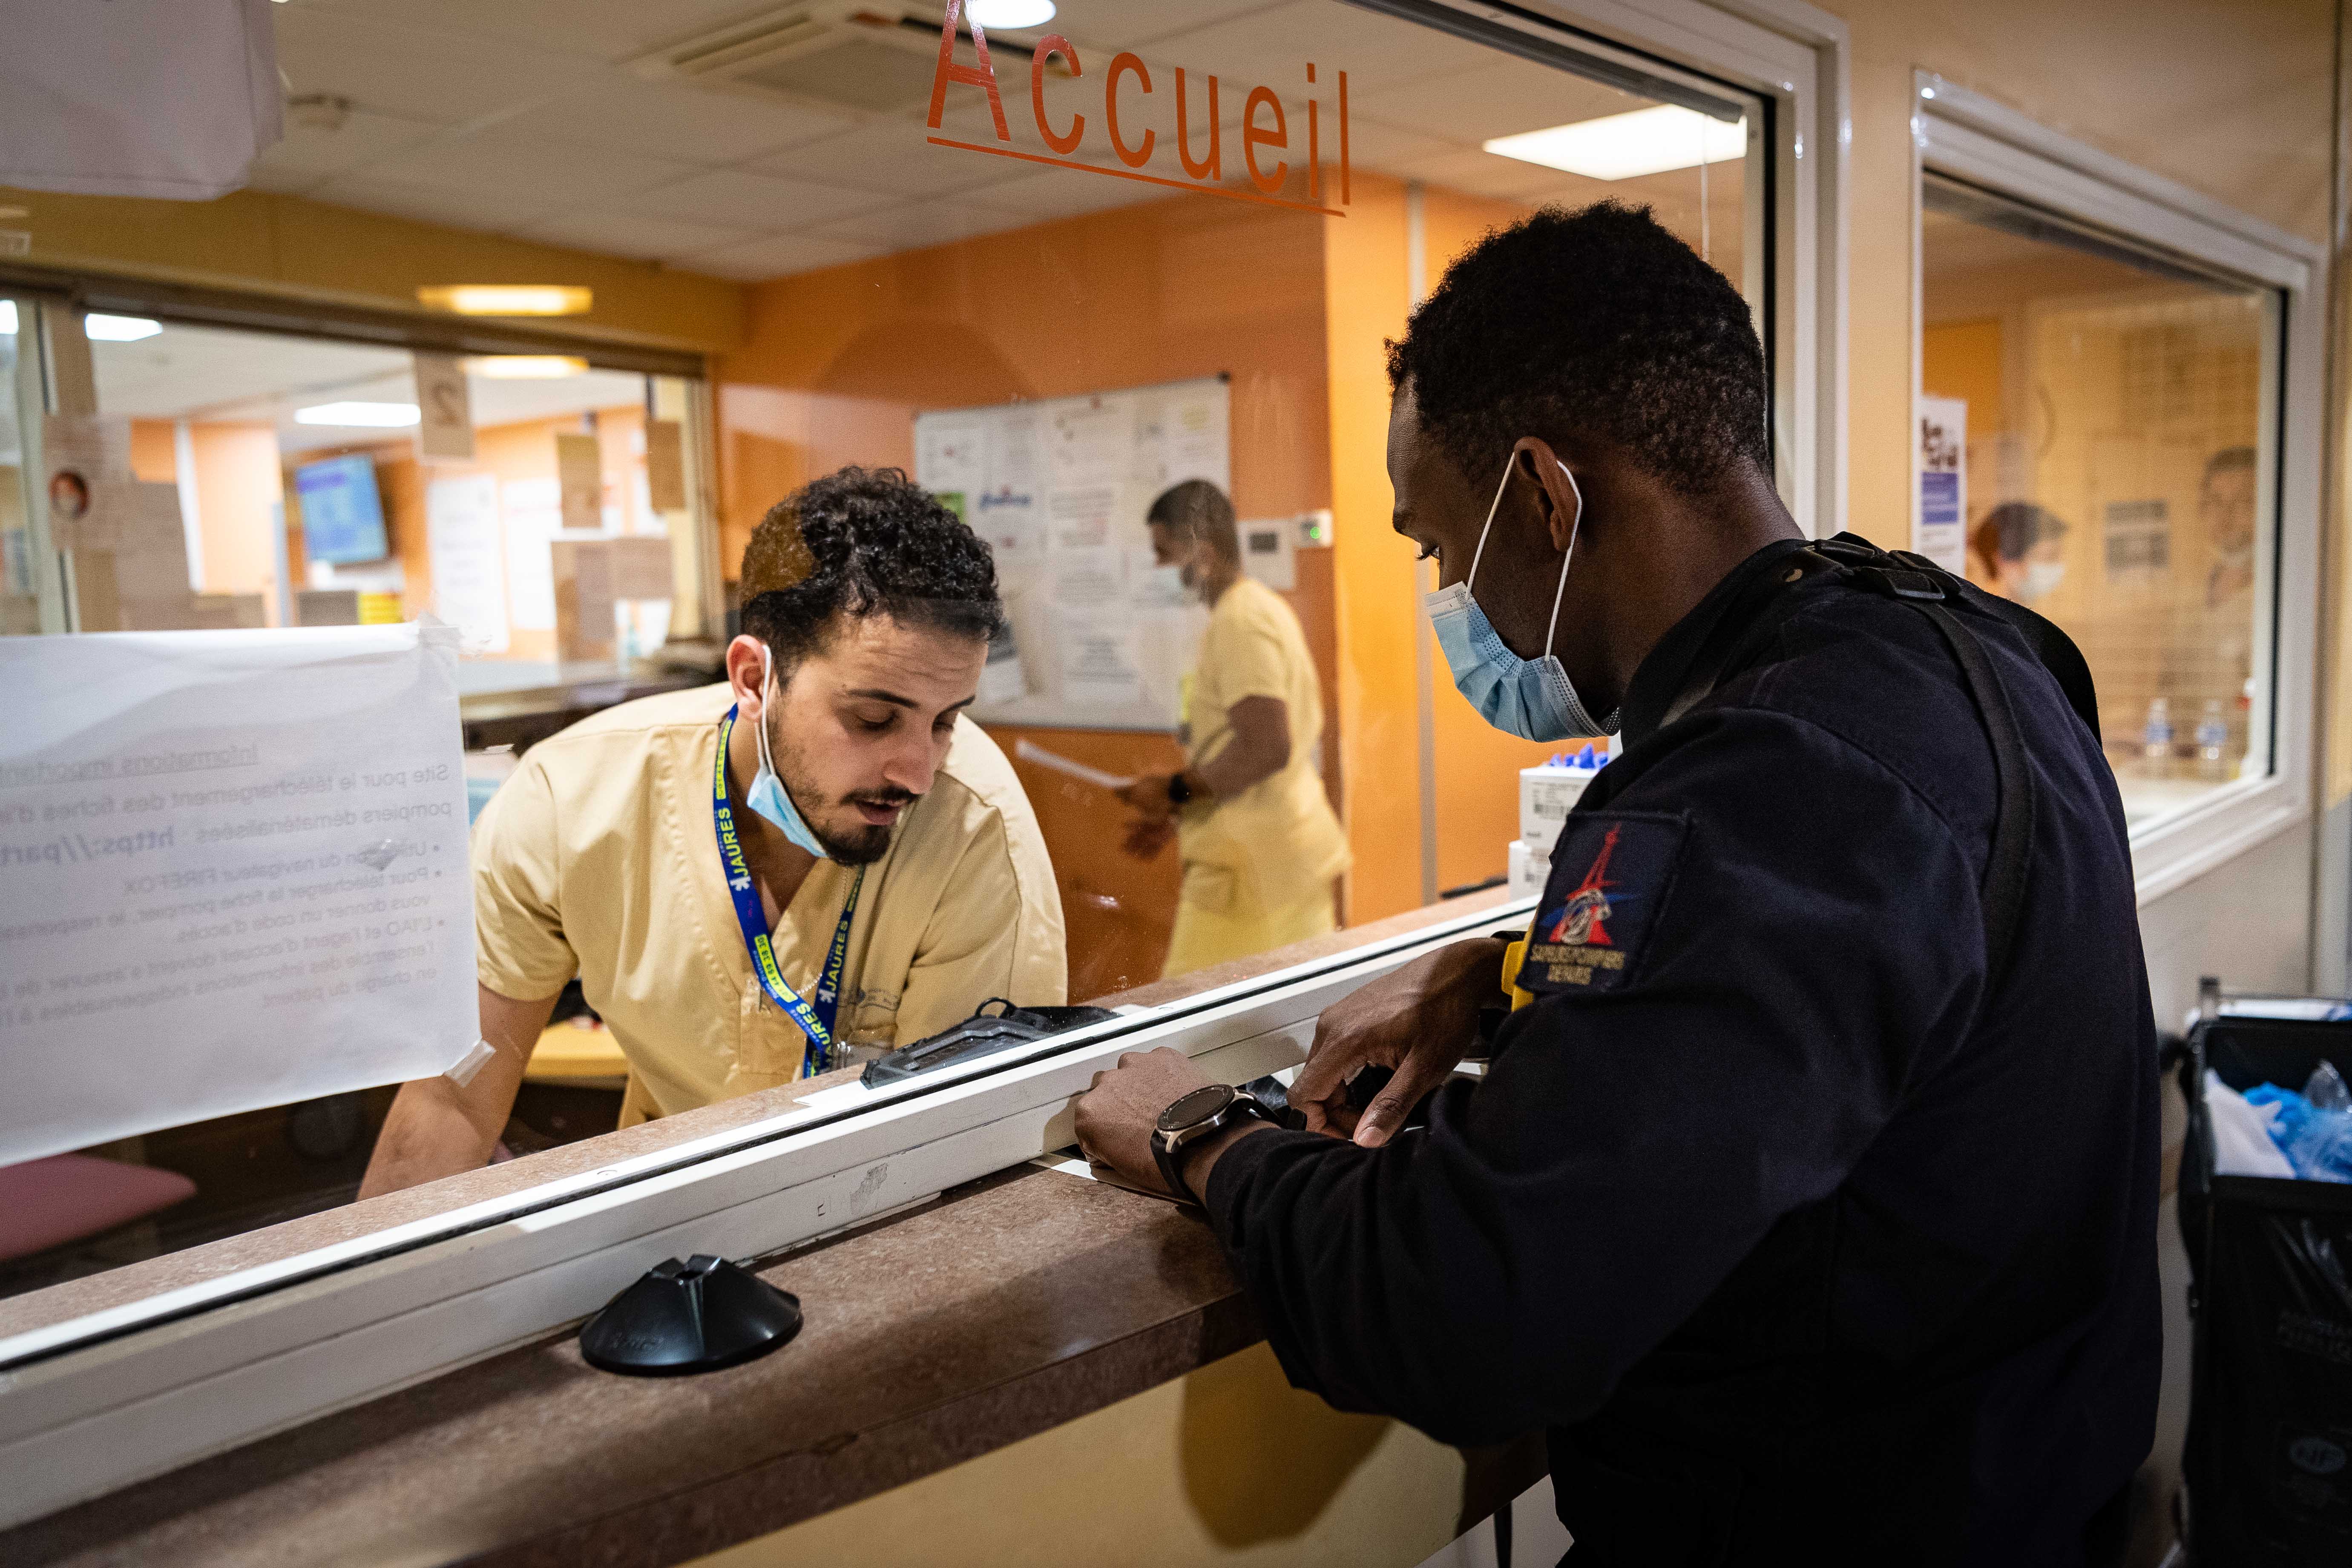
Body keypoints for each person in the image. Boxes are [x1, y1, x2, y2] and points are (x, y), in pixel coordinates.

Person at [1075, 203, 2158, 1562]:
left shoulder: (1755, 782)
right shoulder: (1964, 645)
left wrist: (1198, 1136)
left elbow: (1470, 1314)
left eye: (1435, 545)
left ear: (1543, 497)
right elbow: (1880, 969)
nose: (1448, 597)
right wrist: (1507, 967)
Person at [362, 467, 1066, 1197]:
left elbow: (968, 1156)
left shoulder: (977, 830)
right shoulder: (570, 797)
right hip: (659, 1222)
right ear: (755, 679)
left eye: (946, 719)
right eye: (873, 719)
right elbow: (452, 1100)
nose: (919, 772)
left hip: (882, 1212)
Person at [1116, 480, 1349, 977]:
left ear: (1200, 551)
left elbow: (1265, 747)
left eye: (1163, 553)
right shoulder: (1257, 609)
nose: (1158, 569)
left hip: (1251, 880)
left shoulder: (1240, 620)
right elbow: (1246, 748)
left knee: (1183, 1027)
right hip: (1272, 860)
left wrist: (1175, 790)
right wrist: (1182, 807)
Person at [1969, 500, 2069, 603]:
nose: (2059, 567)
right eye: (2050, 556)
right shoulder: (1987, 616)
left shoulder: (2013, 614)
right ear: (2004, 559)